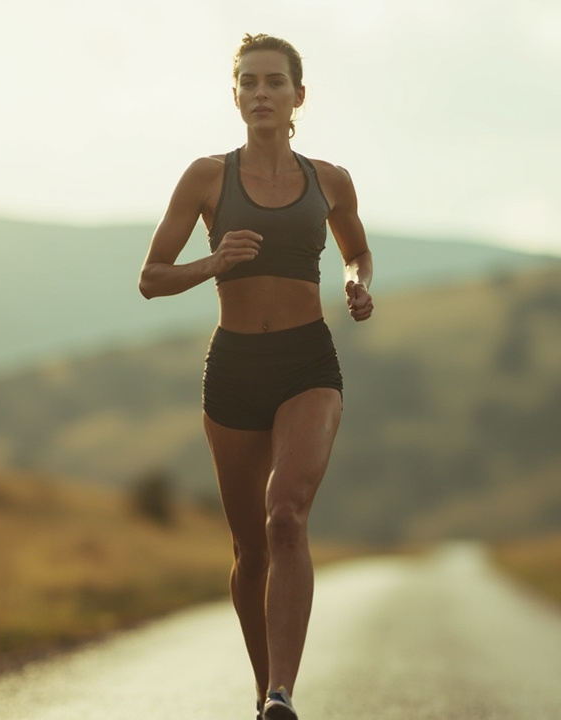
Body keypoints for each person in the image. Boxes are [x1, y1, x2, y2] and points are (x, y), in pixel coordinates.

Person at [138, 33, 373, 720]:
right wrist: (212, 263)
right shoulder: (207, 177)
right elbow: (151, 278)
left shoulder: (330, 180)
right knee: (248, 547)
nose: (260, 93)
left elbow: (356, 251)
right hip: (234, 368)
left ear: (299, 96)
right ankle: (262, 684)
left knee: (284, 516)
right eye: (248, 83)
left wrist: (359, 284)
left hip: (307, 362)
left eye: (274, 82)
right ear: (235, 96)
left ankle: (281, 694)